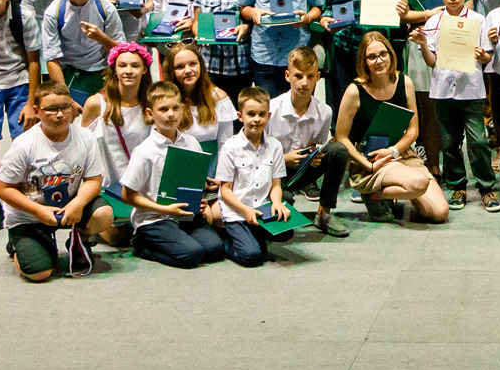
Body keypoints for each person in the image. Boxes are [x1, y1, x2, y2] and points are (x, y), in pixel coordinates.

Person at [0, 79, 113, 282]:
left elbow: (93, 180)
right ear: (37, 111)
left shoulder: (85, 137)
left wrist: (77, 204)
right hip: (30, 215)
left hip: (68, 208)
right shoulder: (24, 145)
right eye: (51, 109)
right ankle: (18, 244)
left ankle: (78, 241)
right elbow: (3, 189)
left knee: (104, 214)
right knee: (40, 273)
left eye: (65, 107)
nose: (60, 114)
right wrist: (39, 211)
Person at [336, 30, 449, 224]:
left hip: (399, 153)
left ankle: (388, 192)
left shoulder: (404, 82)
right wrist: (366, 163)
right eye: (371, 57)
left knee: (440, 213)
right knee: (419, 183)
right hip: (370, 159)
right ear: (364, 60)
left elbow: (414, 130)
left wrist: (393, 151)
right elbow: (341, 137)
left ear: (390, 54)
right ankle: (374, 194)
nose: (378, 61)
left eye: (383, 54)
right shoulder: (354, 91)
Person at [121, 79, 229, 270]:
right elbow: (127, 195)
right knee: (191, 255)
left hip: (185, 214)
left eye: (175, 108)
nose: (171, 115)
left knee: (214, 250)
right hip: (154, 217)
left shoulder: (191, 143)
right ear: (150, 113)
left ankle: (179, 238)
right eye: (163, 110)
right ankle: (142, 246)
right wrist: (164, 210)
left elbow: (190, 182)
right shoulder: (144, 151)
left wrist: (203, 190)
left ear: (182, 109)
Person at [416, 0, 494, 210]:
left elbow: (487, 59)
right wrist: (423, 44)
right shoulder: (432, 22)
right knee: (449, 142)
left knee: (478, 140)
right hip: (442, 90)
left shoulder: (478, 21)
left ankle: (486, 187)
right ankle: (457, 186)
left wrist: (482, 56)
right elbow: (431, 62)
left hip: (471, 90)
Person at [267, 44, 350, 235]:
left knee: (338, 151)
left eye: (310, 76)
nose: (304, 83)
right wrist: (284, 159)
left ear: (318, 77)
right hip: (273, 174)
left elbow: (318, 145)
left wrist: (315, 156)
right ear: (288, 76)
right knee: (283, 207)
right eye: (298, 76)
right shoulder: (272, 109)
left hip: (303, 170)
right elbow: (259, 154)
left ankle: (324, 214)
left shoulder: (324, 111)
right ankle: (282, 200)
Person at [79, 43, 151, 247]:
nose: (128, 71)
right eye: (123, 65)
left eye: (135, 66)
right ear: (114, 68)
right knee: (119, 237)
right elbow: (83, 148)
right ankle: (90, 226)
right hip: (108, 187)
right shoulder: (96, 103)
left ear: (145, 69)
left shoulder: (151, 103)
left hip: (141, 186)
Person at [216, 86, 291, 267]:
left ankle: (252, 236)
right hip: (238, 211)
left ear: (268, 116)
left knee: (287, 232)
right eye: (251, 114)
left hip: (262, 209)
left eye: (261, 114)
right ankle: (223, 242)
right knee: (252, 257)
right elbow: (225, 190)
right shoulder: (230, 147)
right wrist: (245, 210)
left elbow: (276, 185)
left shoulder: (275, 146)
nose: (257, 119)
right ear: (240, 116)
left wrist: (277, 203)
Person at [42, 0, 124, 103]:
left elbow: (121, 50)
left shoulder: (106, 8)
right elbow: (52, 58)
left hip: (102, 73)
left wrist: (101, 38)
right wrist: (66, 98)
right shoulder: (53, 12)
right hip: (70, 74)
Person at [166, 42, 236, 173]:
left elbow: (225, 145)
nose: (188, 70)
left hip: (214, 169)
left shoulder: (219, 98)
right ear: (172, 72)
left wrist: (222, 178)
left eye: (193, 64)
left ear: (201, 65)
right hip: (178, 168)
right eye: (180, 67)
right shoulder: (166, 102)